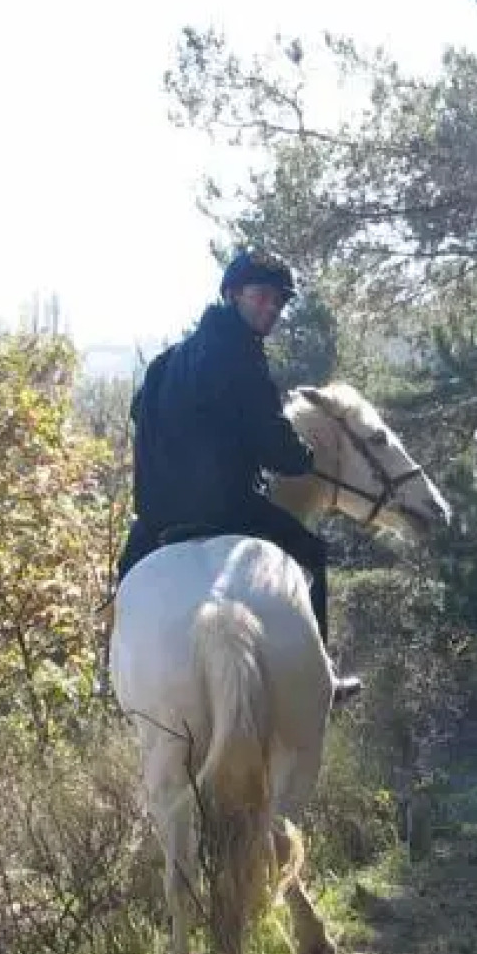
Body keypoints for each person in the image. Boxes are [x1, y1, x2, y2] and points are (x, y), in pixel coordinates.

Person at [114, 247, 360, 699]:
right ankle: (322, 676)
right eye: (262, 296)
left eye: (279, 302)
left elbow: (137, 414)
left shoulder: (165, 363)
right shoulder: (245, 358)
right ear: (232, 294)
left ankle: (112, 675)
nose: (272, 308)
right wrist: (304, 457)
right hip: (228, 511)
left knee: (126, 583)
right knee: (314, 555)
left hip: (157, 519)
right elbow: (273, 442)